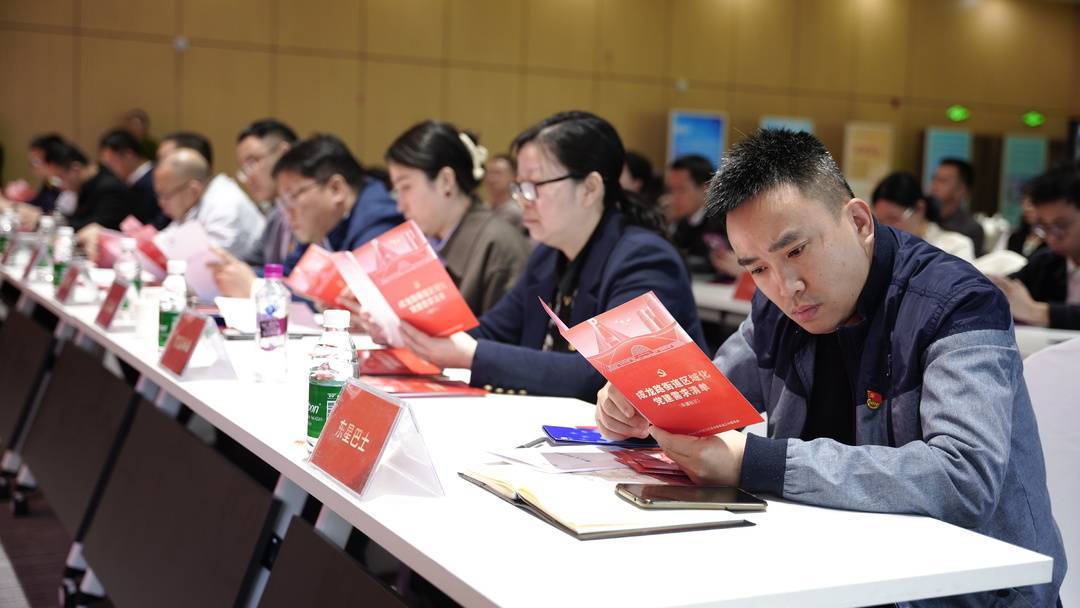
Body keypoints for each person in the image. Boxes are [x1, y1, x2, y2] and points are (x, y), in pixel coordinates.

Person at [594, 129, 1065, 607]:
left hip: (968, 592)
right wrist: (643, 397)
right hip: (832, 569)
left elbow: (964, 477)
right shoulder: (776, 308)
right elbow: (708, 392)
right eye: (757, 268)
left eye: (796, 251)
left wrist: (752, 462)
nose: (786, 286)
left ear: (859, 221)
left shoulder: (957, 303)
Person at [379, 111, 705, 401]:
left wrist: (472, 354)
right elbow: (492, 331)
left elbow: (606, 376)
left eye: (535, 185)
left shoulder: (644, 259)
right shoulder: (548, 256)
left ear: (590, 188)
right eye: (520, 187)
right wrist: (405, 330)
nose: (523, 200)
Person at [210, 134, 401, 298]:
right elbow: (292, 276)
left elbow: (346, 300)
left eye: (292, 197)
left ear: (336, 189)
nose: (287, 211)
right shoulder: (323, 224)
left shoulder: (379, 223)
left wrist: (256, 288)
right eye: (282, 201)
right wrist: (234, 273)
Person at [386, 121, 530, 314]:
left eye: (406, 187)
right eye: (397, 191)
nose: (400, 205)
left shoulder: (498, 247)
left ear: (446, 181)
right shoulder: (421, 242)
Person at [993, 164, 1080, 330]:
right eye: (1044, 227)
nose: (1051, 237)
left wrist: (1037, 312)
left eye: (1061, 225)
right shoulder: (1047, 262)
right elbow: (1008, 287)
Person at [154, 148, 265, 260]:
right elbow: (165, 240)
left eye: (165, 195)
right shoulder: (194, 204)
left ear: (193, 190)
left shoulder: (224, 203)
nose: (160, 203)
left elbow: (207, 261)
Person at [235, 119, 299, 267]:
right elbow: (253, 262)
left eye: (252, 162)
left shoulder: (311, 209)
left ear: (284, 154)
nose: (247, 177)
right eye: (243, 168)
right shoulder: (276, 214)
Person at [666, 154, 740, 279]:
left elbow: (713, 263)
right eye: (671, 190)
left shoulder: (723, 221)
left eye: (681, 190)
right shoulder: (681, 223)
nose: (673, 198)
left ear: (705, 188)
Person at [871, 171, 974, 261]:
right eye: (880, 221)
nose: (886, 228)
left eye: (893, 219)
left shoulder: (954, 246)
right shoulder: (878, 248)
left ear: (919, 209)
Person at [38, 136, 133, 232]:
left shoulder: (109, 188)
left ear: (75, 169)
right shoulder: (84, 185)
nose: (59, 185)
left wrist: (49, 222)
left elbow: (96, 227)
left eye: (60, 177)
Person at [98, 128, 165, 227]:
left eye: (112, 162)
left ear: (128, 155)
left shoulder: (154, 179)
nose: (110, 169)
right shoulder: (133, 182)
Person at [929, 158, 985, 255]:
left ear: (961, 189)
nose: (934, 185)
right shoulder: (924, 217)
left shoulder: (971, 229)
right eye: (934, 179)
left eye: (943, 181)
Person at [482, 153, 525, 233]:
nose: (491, 178)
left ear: (514, 177)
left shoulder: (516, 211)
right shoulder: (483, 207)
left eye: (497, 173)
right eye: (488, 173)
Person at [1006, 194, 1046, 259]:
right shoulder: (1015, 237)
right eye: (1023, 204)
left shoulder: (1051, 239)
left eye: (1030, 204)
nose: (1026, 209)